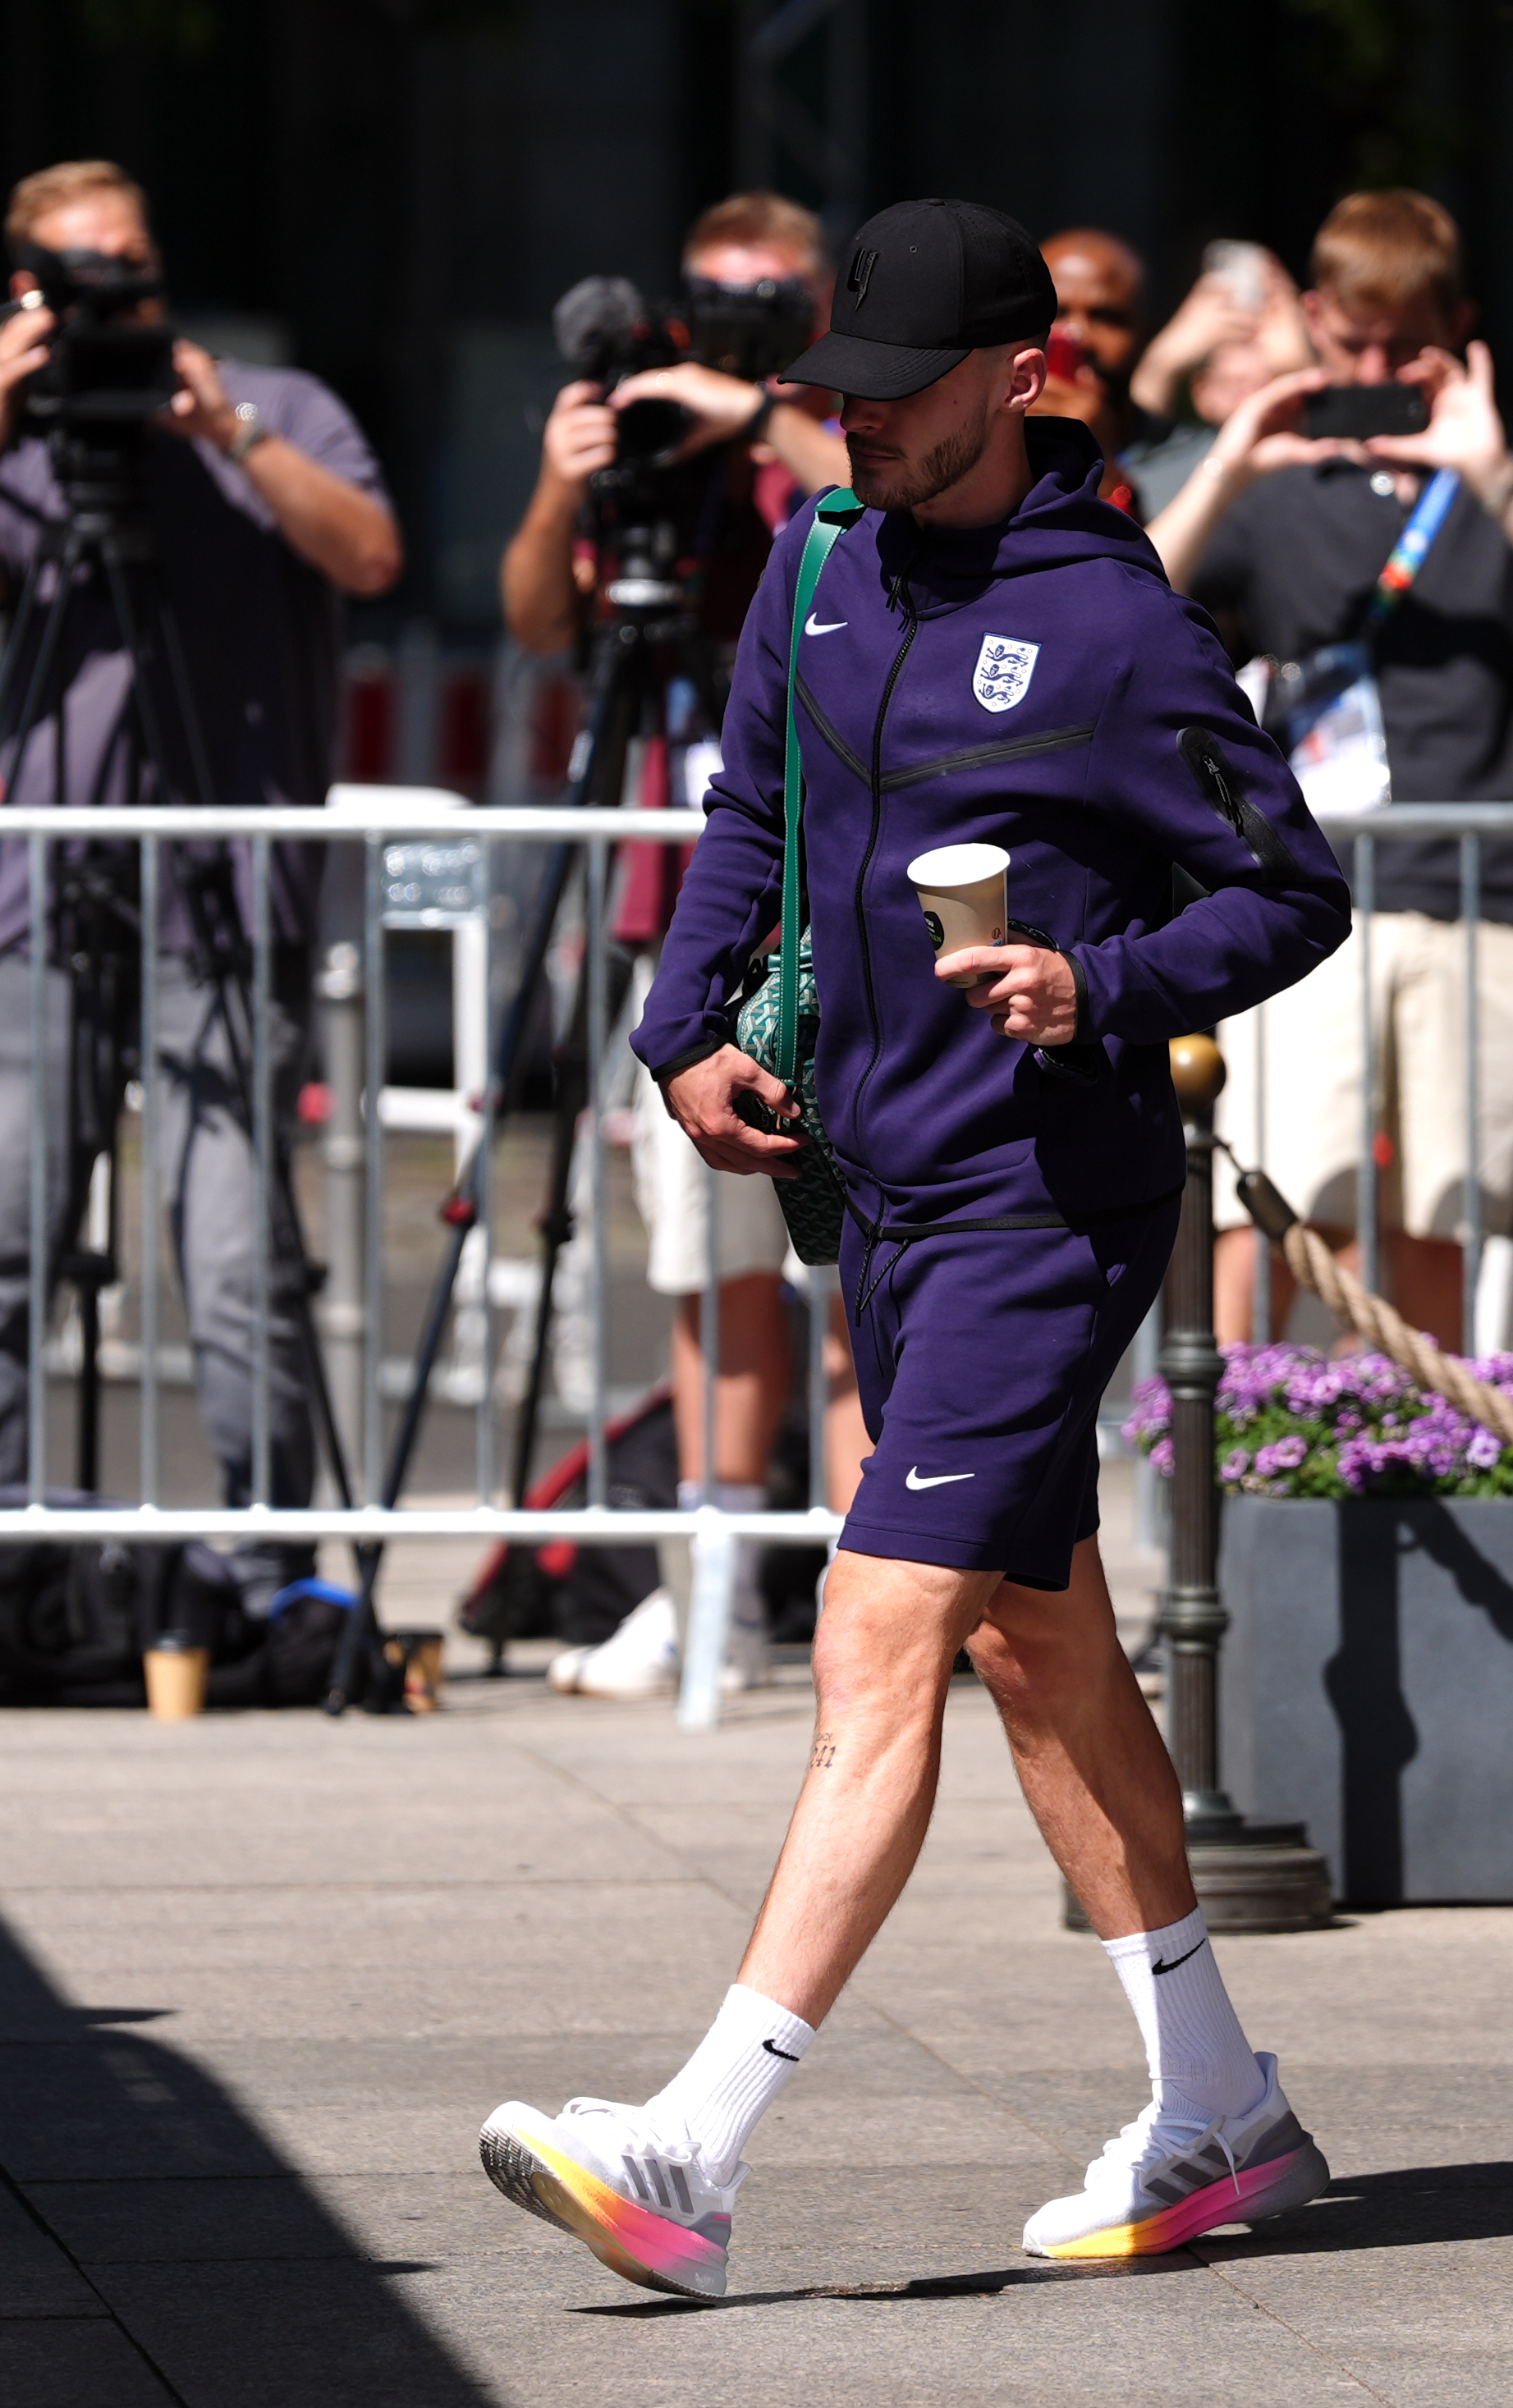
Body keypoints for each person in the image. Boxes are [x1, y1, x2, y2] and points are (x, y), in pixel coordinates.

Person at [478, 195, 1350, 2297]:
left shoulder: (1125, 626)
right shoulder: (812, 571)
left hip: (1042, 1206)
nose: (853, 430)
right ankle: (1215, 2100)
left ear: (1018, 379)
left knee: (878, 1633)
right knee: (1030, 1641)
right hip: (871, 1187)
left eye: (891, 395)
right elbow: (749, 825)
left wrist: (1105, 984)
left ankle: (692, 2148)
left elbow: (1289, 891)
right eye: (830, 397)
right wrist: (678, 1032)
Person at [0, 159, 400, 1605]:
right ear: (28, 290)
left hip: (227, 906)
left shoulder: (273, 407)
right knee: (7, 1235)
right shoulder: (18, 432)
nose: (113, 298)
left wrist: (224, 430)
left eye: (130, 268)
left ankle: (269, 1566)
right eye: (77, 277)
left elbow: (369, 550)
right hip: (41, 904)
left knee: (233, 1256)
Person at [1145, 189, 1513, 1352]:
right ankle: (1231, 1495)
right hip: (1299, 898)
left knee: (1440, 1216)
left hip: (1485, 895)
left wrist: (1490, 468)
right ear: (1311, 319)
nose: (1373, 365)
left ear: (1458, 328)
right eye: (1351, 338)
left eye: (1402, 344)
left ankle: (1410, 1461)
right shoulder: (1272, 483)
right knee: (1271, 1205)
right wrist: (1229, 460)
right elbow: (1118, 613)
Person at [501, 190, 866, 1699]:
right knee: (706, 1272)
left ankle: (869, 1596)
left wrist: (763, 408)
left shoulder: (841, 433)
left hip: (833, 913)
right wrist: (556, 479)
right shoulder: (651, 442)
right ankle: (709, 1597)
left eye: (764, 309)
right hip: (682, 919)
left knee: (849, 1286)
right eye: (710, 305)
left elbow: (870, 512)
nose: (727, 334)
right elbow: (542, 622)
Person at [1125, 244, 1315, 521]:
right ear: (1200, 392)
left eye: (1266, 382)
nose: (1251, 398)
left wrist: (1302, 365)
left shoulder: (1308, 456)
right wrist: (1162, 363)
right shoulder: (1171, 461)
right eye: (1232, 383)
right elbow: (1130, 456)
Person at [1033, 227, 1156, 512]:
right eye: (1056, 313)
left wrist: (1104, 471)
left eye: (1106, 318)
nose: (1078, 335)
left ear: (1144, 335)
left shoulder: (1199, 464)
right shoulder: (979, 439)